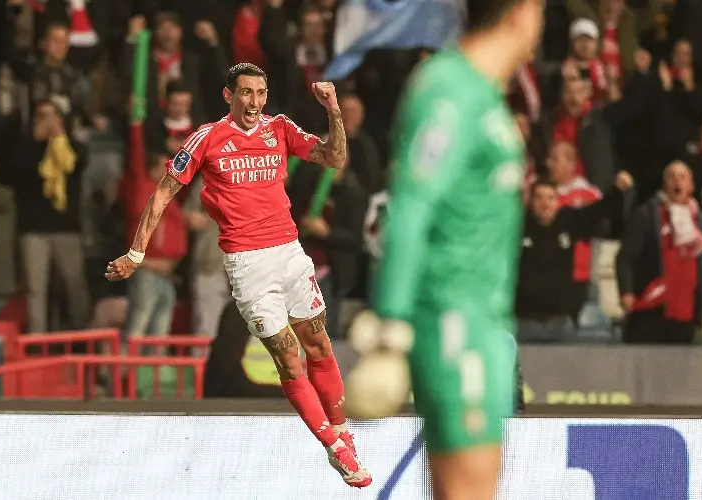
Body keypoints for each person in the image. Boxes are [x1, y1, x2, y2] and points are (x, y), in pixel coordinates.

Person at [105, 62, 371, 488]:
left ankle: (342, 431)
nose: (254, 102)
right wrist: (137, 253)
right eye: (246, 93)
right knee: (287, 355)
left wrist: (333, 109)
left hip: (289, 254)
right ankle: (332, 446)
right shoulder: (206, 138)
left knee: (319, 343)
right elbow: (163, 193)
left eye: (261, 93)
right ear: (229, 96)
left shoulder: (280, 128)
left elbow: (335, 157)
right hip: (247, 265)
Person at [345, 0, 545, 499]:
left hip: (484, 322)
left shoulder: (481, 92)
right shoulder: (450, 88)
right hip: (454, 321)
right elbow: (410, 207)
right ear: (523, 12)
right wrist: (390, 330)